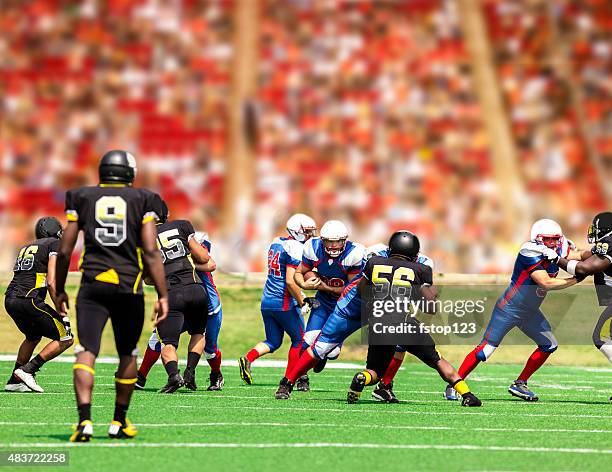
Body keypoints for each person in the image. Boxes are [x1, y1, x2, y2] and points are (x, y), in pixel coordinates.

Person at [55, 150, 168, 442]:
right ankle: (118, 422)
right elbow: (151, 250)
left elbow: (65, 249)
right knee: (127, 352)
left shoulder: (81, 196)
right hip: (128, 286)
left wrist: (57, 289)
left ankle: (84, 422)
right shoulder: (143, 198)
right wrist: (163, 294)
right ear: (129, 172)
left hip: (92, 284)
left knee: (86, 350)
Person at [449, 219, 581, 402]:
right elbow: (546, 282)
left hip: (530, 311)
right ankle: (454, 384)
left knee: (549, 344)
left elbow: (578, 255)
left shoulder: (559, 248)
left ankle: (520, 383)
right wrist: (577, 279)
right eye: (548, 239)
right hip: (509, 309)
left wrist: (600, 254)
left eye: (555, 239)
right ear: (537, 239)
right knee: (485, 350)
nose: (552, 243)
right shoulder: (529, 252)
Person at [239, 214, 317, 388]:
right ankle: (292, 378)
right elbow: (290, 280)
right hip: (284, 302)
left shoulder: (276, 242)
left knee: (273, 341)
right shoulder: (295, 247)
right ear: (296, 231)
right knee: (300, 340)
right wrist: (302, 300)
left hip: (267, 300)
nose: (310, 235)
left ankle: (248, 358)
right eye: (307, 232)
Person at [149, 197, 211, 393]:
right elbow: (203, 257)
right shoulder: (182, 226)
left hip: (171, 293)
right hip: (196, 288)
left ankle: (173, 376)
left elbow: (148, 279)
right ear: (165, 215)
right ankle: (190, 371)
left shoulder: (141, 238)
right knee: (198, 332)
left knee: (168, 343)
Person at [5, 217, 74, 393]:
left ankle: (14, 380)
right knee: (66, 337)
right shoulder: (54, 244)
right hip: (28, 299)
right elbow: (51, 281)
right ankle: (28, 370)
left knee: (33, 336)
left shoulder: (27, 247)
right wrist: (62, 311)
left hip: (10, 299)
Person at [552, 212, 612, 401]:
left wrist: (554, 258)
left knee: (601, 337)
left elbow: (585, 268)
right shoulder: (604, 245)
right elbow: (582, 257)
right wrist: (562, 252)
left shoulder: (610, 242)